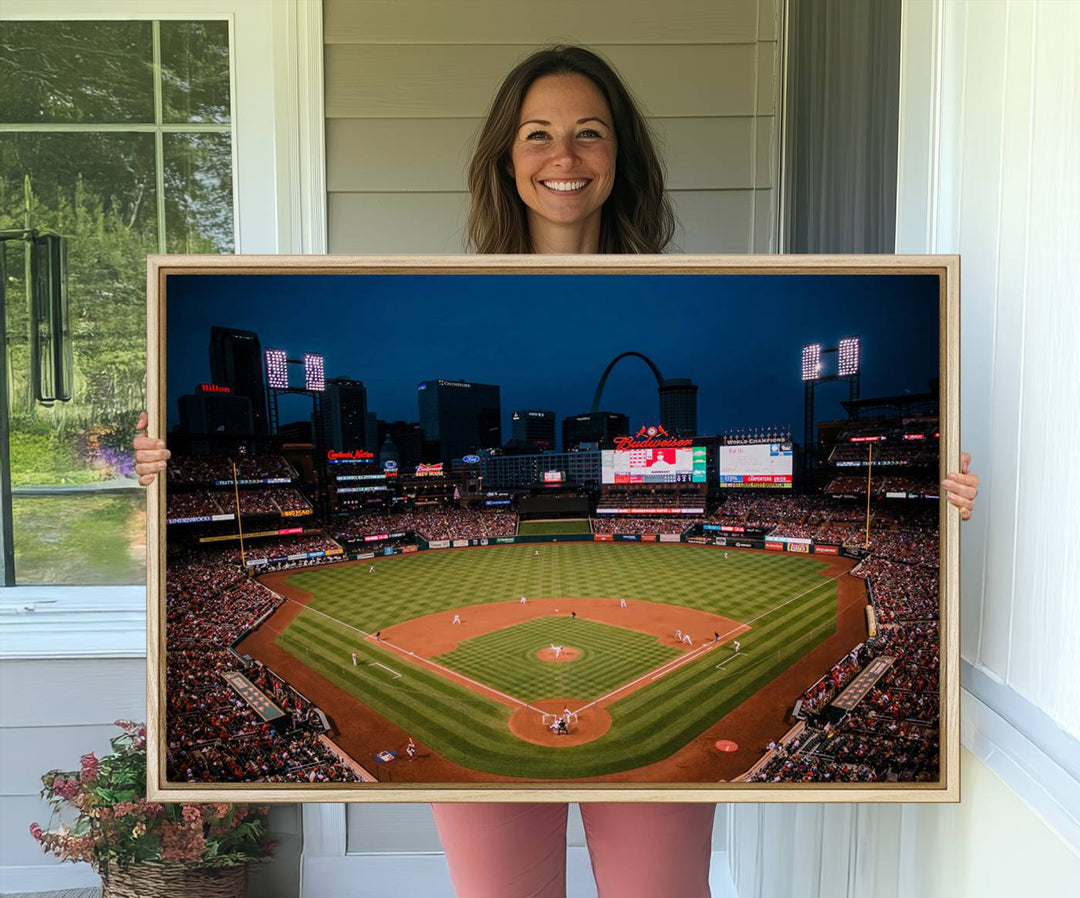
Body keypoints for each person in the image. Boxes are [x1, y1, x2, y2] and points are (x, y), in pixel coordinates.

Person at [134, 43, 981, 898]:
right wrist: (163, 468)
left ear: (621, 157)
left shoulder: (688, 283)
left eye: (590, 133)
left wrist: (938, 496)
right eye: (537, 134)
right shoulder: (449, 284)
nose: (563, 157)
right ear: (506, 157)